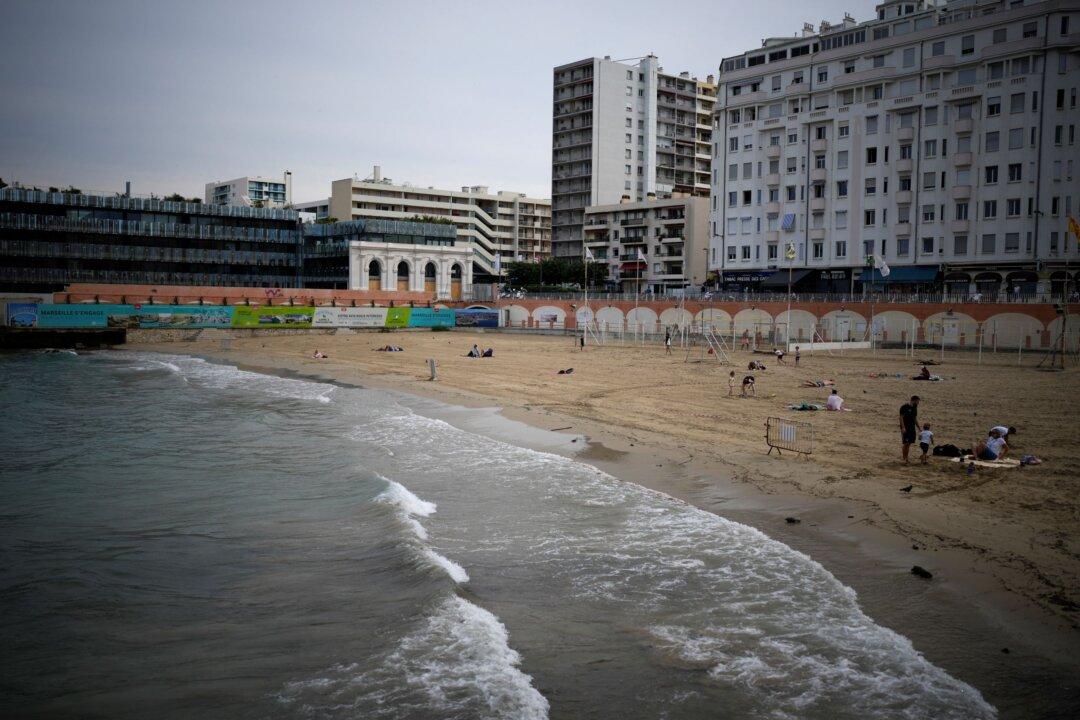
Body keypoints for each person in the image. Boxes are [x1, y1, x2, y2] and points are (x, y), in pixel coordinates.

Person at [899, 395, 920, 464]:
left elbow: (915, 418)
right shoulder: (904, 407)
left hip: (912, 428)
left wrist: (919, 427)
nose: (918, 403)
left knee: (909, 444)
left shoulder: (915, 408)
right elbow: (901, 418)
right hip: (906, 428)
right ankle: (904, 458)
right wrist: (903, 427)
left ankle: (906, 458)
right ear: (913, 400)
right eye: (917, 401)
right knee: (906, 443)